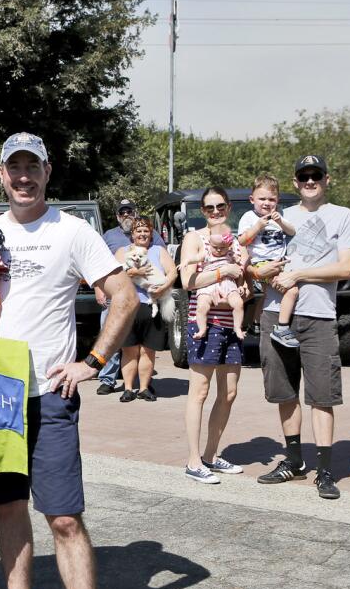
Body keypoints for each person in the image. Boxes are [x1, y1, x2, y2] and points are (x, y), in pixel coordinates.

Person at [0, 131, 136, 589]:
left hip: (51, 395)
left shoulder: (72, 230)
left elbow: (126, 296)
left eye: (32, 167)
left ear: (47, 173)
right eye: (13, 167)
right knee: (8, 509)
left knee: (63, 518)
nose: (22, 177)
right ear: (1, 175)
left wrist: (92, 360)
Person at [256, 155, 350, 501]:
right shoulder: (280, 216)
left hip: (318, 316)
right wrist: (259, 274)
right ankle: (293, 460)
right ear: (295, 182)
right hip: (276, 313)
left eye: (315, 175)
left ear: (326, 179)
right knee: (284, 392)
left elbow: (345, 268)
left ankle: (326, 470)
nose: (310, 181)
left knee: (322, 395)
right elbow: (257, 258)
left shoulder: (343, 216)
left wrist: (299, 275)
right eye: (304, 176)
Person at [179, 187, 248, 484]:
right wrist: (222, 273)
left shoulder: (235, 241)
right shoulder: (194, 239)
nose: (215, 211)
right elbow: (187, 282)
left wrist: (244, 287)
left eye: (220, 206)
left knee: (229, 393)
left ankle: (210, 455)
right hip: (204, 321)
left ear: (228, 207)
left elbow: (242, 278)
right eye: (209, 208)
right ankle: (193, 461)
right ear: (202, 211)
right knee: (200, 392)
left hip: (230, 322)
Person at [101, 216, 176, 402]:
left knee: (148, 351)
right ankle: (128, 388)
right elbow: (113, 274)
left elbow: (173, 272)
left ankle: (143, 388)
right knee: (129, 350)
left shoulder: (159, 251)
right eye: (138, 231)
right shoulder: (122, 251)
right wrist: (134, 272)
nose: (142, 234)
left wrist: (164, 288)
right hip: (128, 307)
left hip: (152, 305)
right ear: (132, 234)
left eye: (146, 231)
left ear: (151, 234)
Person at [237, 175, 300, 347]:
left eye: (271, 199)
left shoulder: (278, 216)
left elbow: (292, 231)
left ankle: (256, 324)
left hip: (280, 262)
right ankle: (282, 328)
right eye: (262, 198)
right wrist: (257, 227)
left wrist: (280, 221)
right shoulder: (249, 217)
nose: (266, 203)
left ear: (277, 200)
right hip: (262, 263)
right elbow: (242, 241)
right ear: (252, 199)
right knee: (292, 291)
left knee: (267, 296)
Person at [96, 198, 139, 394]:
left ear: (135, 213)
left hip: (142, 295)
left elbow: (160, 255)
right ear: (117, 216)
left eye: (129, 211)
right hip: (114, 296)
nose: (126, 215)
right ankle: (107, 379)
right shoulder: (109, 236)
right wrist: (98, 288)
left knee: (139, 341)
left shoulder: (148, 232)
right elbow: (96, 265)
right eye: (122, 212)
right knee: (110, 334)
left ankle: (142, 381)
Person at [191, 225, 247, 342]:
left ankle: (237, 327)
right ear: (209, 243)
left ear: (229, 246)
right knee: (201, 306)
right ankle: (202, 329)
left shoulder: (231, 254)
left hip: (227, 283)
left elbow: (240, 270)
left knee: (238, 303)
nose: (218, 250)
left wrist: (240, 285)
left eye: (222, 247)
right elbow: (195, 258)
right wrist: (186, 261)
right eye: (215, 247)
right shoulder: (206, 253)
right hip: (208, 284)